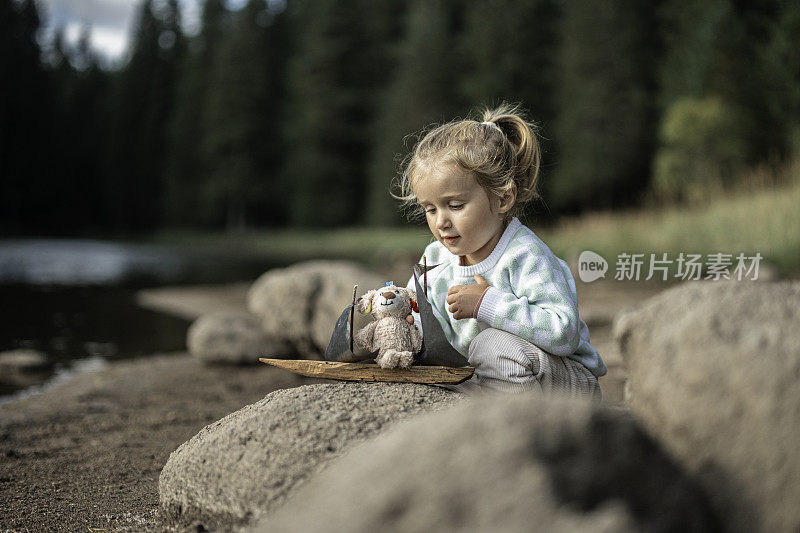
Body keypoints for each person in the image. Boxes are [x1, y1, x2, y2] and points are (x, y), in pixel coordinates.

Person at [398, 103, 606, 397]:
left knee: (492, 346)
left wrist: (488, 304)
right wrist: (406, 323)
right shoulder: (434, 259)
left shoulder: (526, 255)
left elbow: (564, 332)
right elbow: (422, 319)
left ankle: (515, 429)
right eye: (430, 209)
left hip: (562, 379)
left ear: (504, 198)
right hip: (486, 375)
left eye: (455, 205)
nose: (441, 221)